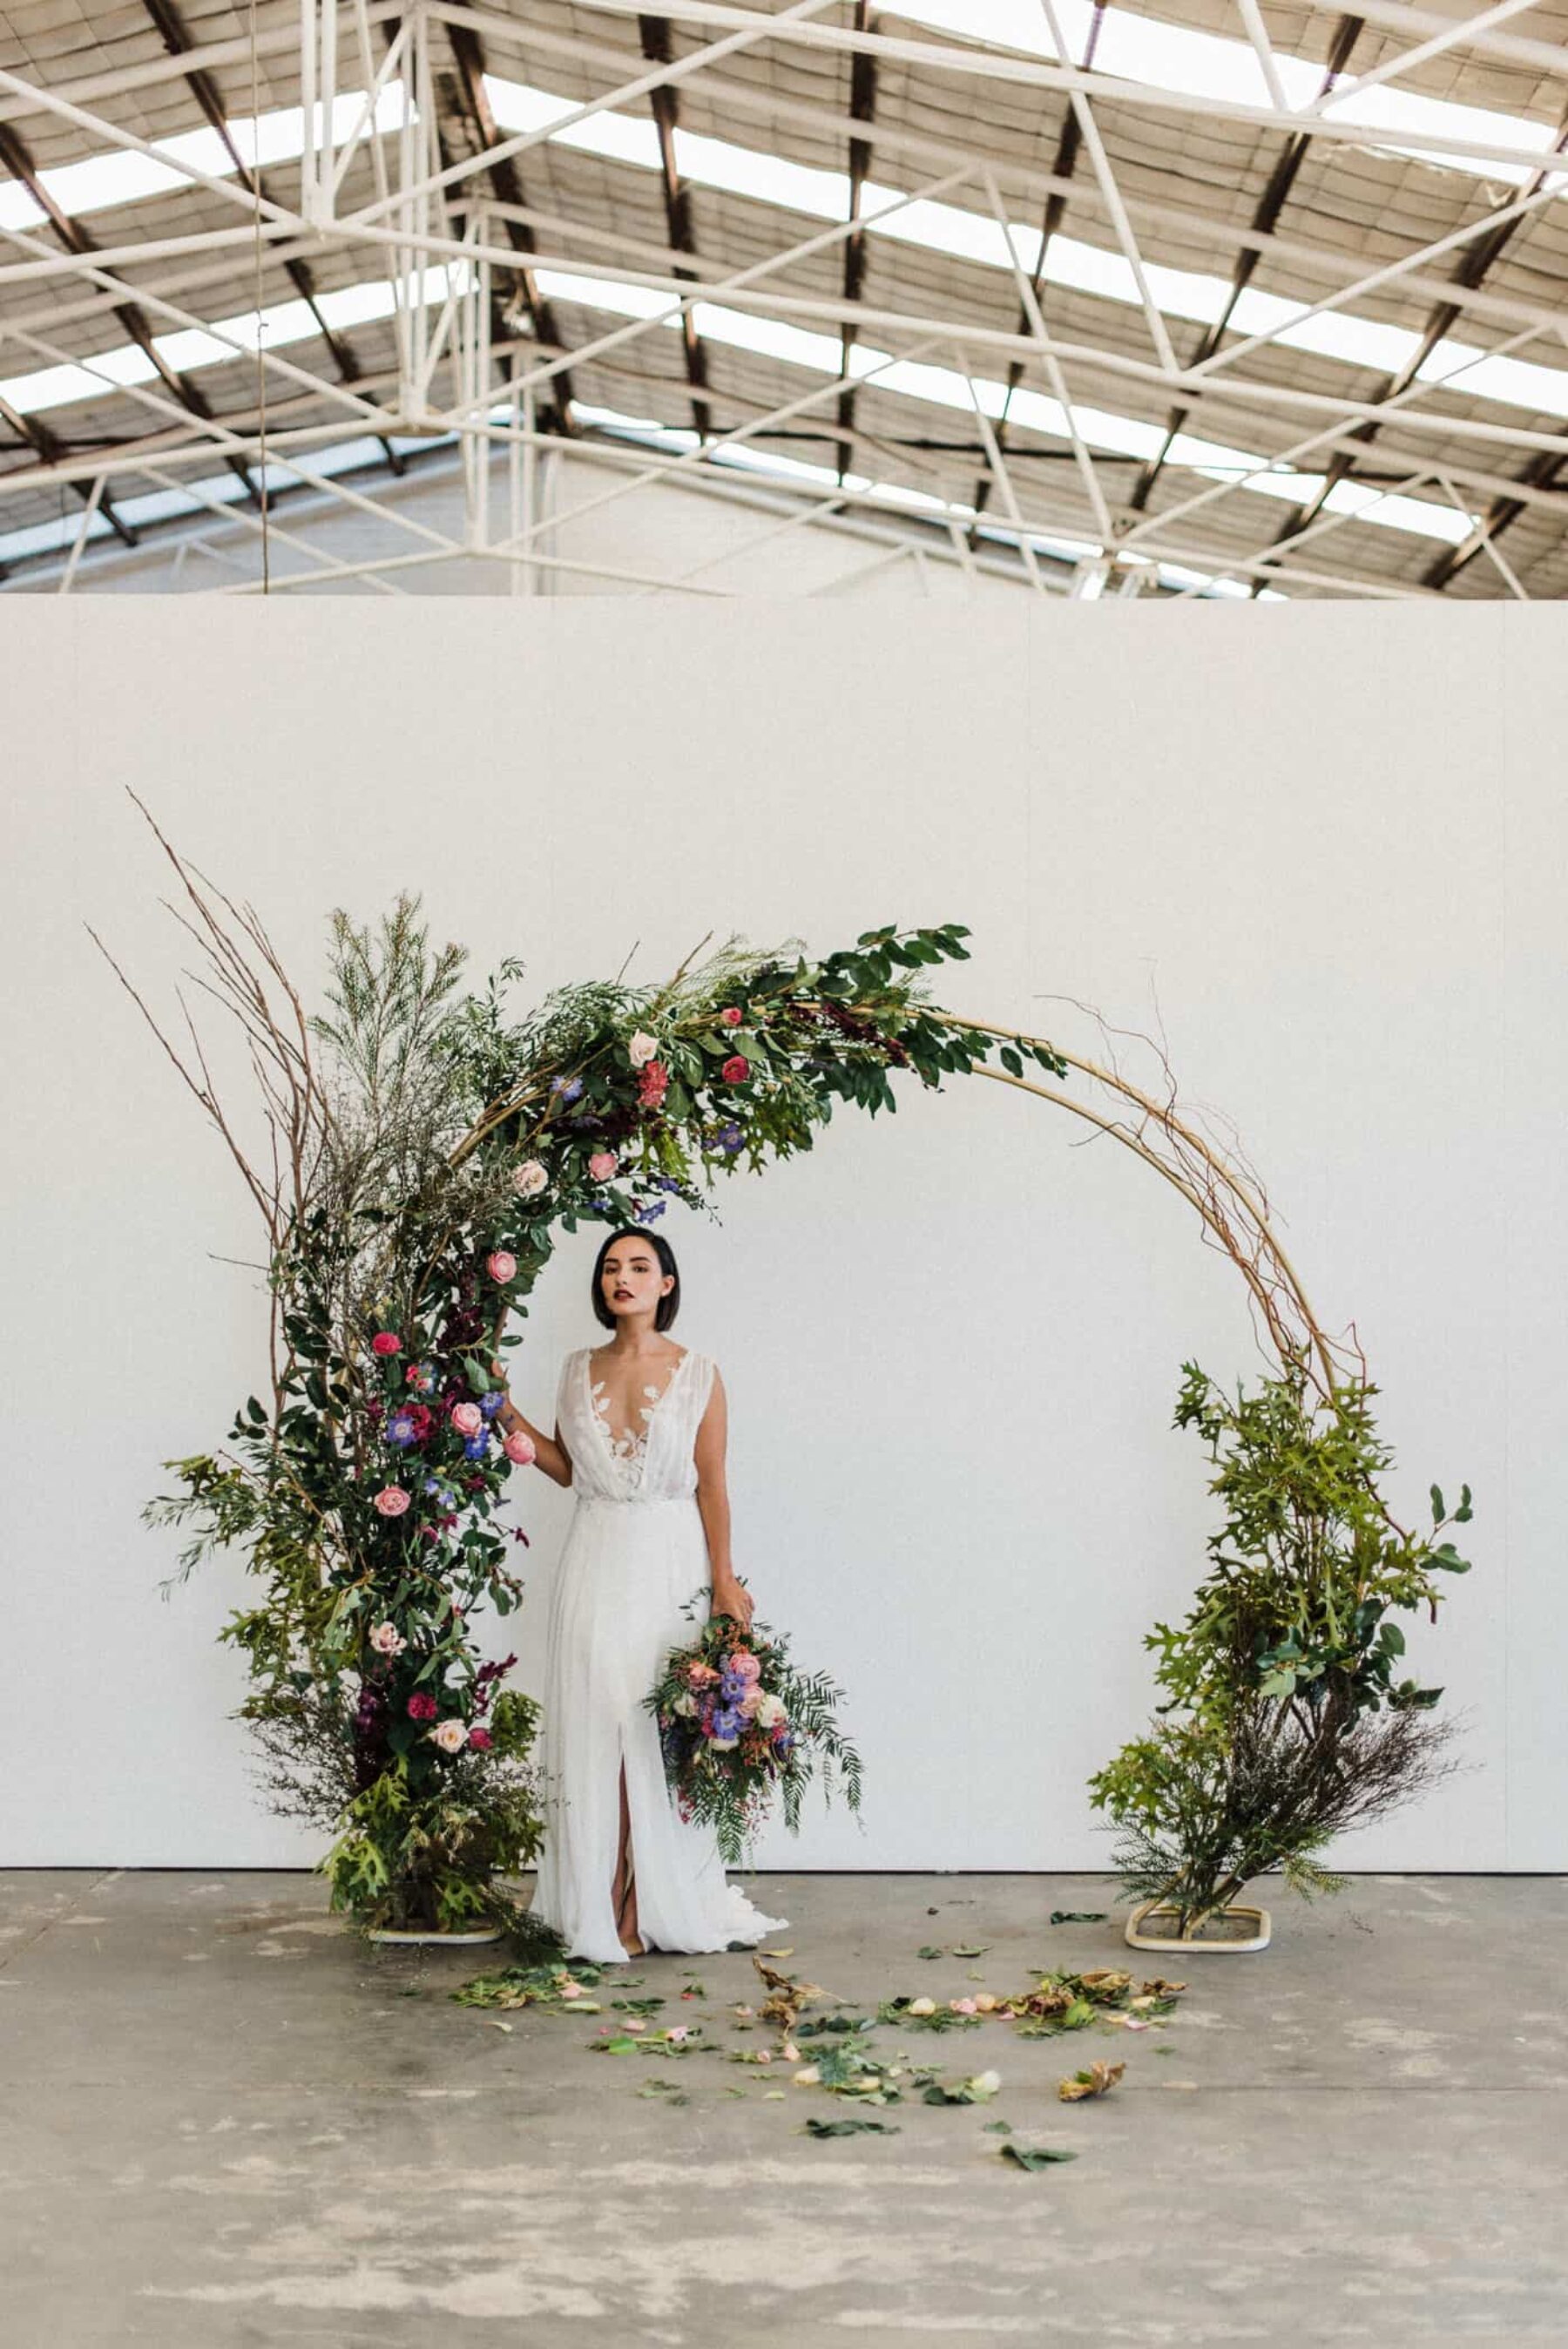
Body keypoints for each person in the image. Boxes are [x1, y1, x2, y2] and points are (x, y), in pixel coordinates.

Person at [491, 1226, 790, 1963]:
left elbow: (713, 1483)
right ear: (600, 1287)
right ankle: (599, 1893)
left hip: (667, 1562)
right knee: (597, 1721)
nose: (622, 1277)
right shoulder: (573, 1368)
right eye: (610, 1268)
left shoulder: (700, 1374)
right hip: (594, 1555)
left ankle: (641, 1896)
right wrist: (504, 1414)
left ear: (666, 1284)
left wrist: (724, 1580)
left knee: (652, 1726)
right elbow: (565, 1469)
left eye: (640, 1266)